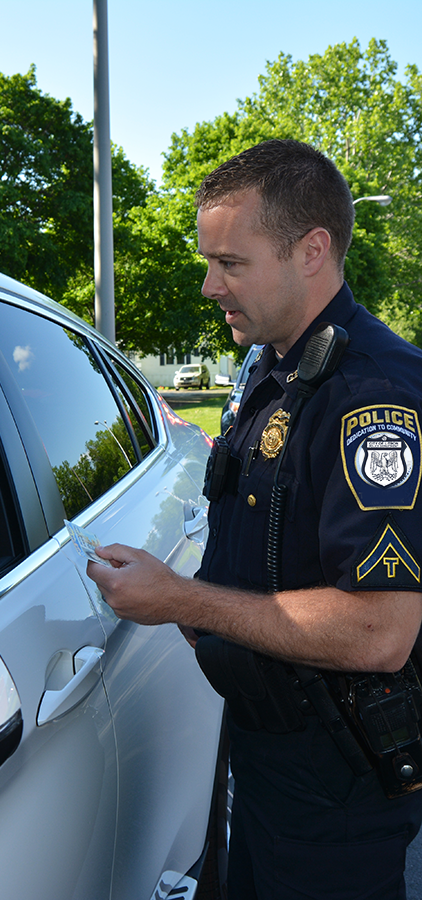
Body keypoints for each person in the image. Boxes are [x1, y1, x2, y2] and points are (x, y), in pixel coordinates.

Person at [86, 139, 422, 899]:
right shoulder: (275, 367)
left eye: (231, 263)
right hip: (269, 755)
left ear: (312, 251)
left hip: (333, 792)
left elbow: (380, 630)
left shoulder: (369, 396)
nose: (209, 286)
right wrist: (209, 610)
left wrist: (183, 600)